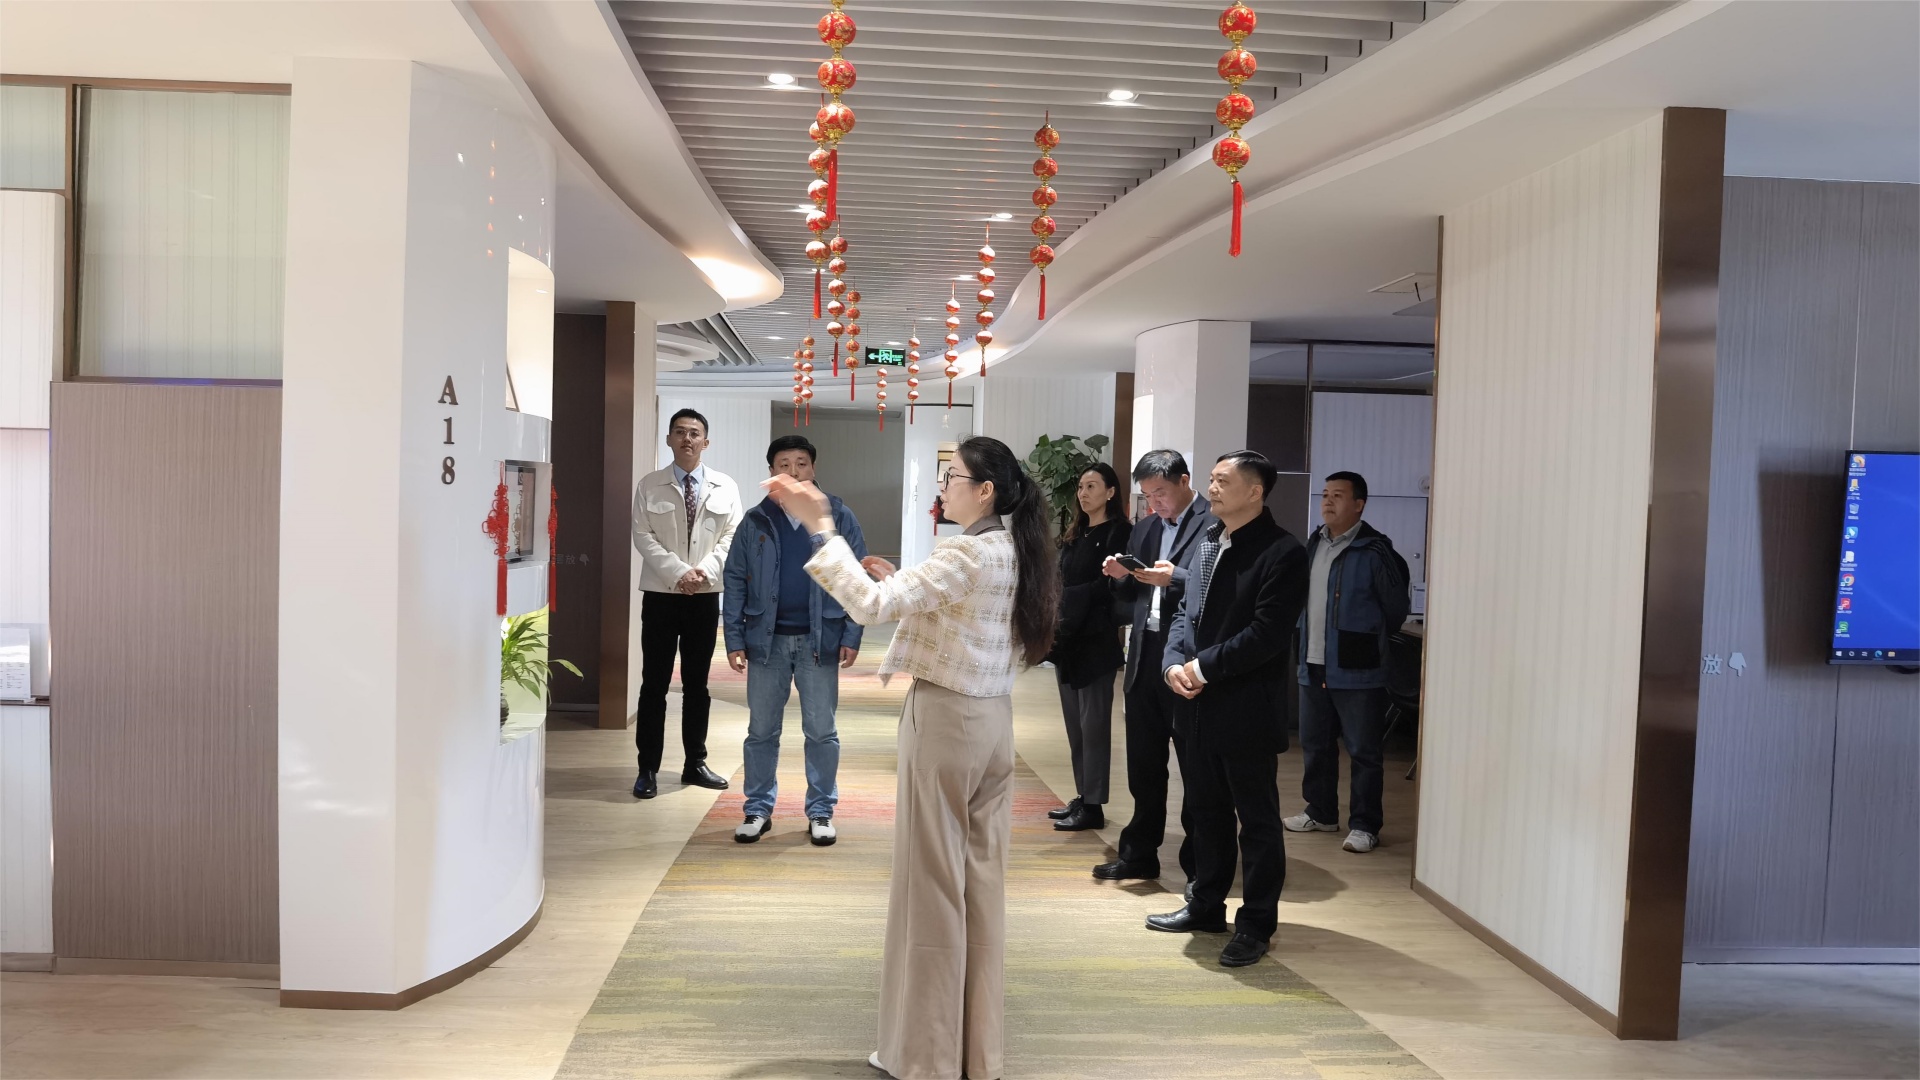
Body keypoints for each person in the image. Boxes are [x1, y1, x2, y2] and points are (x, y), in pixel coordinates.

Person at [764, 435, 1057, 1080]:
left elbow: (869, 609)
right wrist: (895, 579)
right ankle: (975, 1052)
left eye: (952, 478)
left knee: (931, 884)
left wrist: (821, 526)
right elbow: (944, 608)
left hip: (948, 720)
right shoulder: (1012, 549)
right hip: (992, 721)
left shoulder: (966, 551)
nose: (942, 488)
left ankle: (926, 1054)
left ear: (984, 491)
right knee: (979, 883)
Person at [1149, 450, 1307, 969]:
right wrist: (1174, 664)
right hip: (1195, 707)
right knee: (1205, 813)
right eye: (1212, 480)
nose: (1212, 489)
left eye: (1223, 481)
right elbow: (1184, 615)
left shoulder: (1283, 552)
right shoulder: (1209, 541)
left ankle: (1256, 925)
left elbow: (1266, 634)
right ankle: (1206, 905)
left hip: (1246, 709)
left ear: (1255, 491)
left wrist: (1202, 668)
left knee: (1256, 822)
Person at [723, 435, 867, 847]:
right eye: (783, 464)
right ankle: (757, 808)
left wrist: (852, 633)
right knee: (761, 731)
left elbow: (856, 575)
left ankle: (821, 811)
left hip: (820, 639)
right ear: (771, 472)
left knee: (821, 731)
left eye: (801, 463)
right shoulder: (755, 520)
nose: (792, 471)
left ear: (813, 469)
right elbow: (734, 579)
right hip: (765, 641)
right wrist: (733, 637)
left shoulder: (838, 515)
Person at [1091, 450, 1214, 888]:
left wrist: (1174, 577)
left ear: (1184, 480)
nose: (1155, 503)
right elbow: (1132, 601)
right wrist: (1121, 576)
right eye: (1148, 495)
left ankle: (1200, 865)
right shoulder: (1145, 528)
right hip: (1144, 655)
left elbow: (1216, 587)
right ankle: (1139, 854)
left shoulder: (1214, 523)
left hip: (1186, 657)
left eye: (1161, 493)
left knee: (1195, 767)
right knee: (1143, 764)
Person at [1283, 471, 1410, 854]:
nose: (1328, 501)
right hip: (1313, 661)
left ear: (1359, 504)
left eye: (1338, 495)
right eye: (1325, 494)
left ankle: (1365, 825)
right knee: (1315, 744)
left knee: (1364, 751)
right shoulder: (1313, 544)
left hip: (1359, 668)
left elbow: (1395, 610)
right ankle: (1320, 812)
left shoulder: (1375, 550)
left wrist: (1364, 637)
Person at [630, 408, 743, 800]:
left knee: (698, 685)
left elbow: (732, 537)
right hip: (661, 596)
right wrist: (679, 572)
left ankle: (695, 763)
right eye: (679, 432)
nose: (687, 439)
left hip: (705, 597)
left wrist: (702, 573)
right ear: (669, 440)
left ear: (705, 442)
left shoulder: (725, 486)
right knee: (654, 684)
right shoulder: (649, 484)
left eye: (694, 433)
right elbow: (642, 536)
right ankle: (647, 769)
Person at [1045, 462, 1129, 832]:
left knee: (1094, 728)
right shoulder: (1076, 533)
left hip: (1095, 641)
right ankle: (1083, 794)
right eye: (1081, 486)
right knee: (1075, 728)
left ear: (1110, 492)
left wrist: (1067, 598)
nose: (1083, 493)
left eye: (1092, 486)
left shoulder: (1119, 533)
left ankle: (1094, 805)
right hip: (1068, 640)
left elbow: (1110, 586)